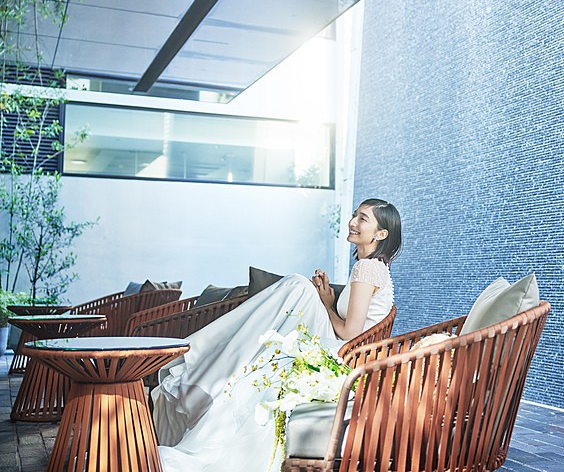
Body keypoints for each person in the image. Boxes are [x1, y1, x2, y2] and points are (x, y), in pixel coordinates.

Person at [153, 198, 401, 471]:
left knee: (298, 287)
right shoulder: (373, 267)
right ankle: (217, 359)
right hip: (346, 349)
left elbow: (350, 332)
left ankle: (206, 357)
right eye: (354, 215)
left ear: (381, 234)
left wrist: (326, 304)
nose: (353, 222)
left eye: (362, 219)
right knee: (296, 291)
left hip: (345, 354)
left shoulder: (368, 268)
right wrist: (327, 304)